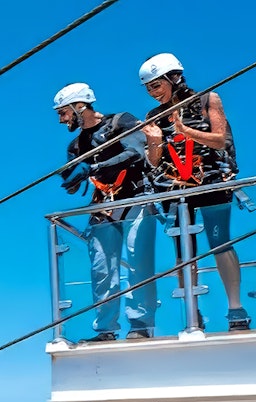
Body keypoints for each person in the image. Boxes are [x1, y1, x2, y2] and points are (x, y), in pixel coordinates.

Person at [139, 53, 251, 332]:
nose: (153, 93)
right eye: (148, 88)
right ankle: (193, 313)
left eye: (156, 85)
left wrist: (184, 130)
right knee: (182, 251)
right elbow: (153, 161)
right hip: (177, 188)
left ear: (173, 78)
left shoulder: (207, 99)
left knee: (219, 242)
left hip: (211, 179)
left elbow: (220, 139)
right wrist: (153, 143)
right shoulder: (153, 117)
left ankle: (236, 310)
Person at [52, 82, 157, 342]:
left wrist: (93, 167)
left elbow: (136, 152)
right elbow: (76, 181)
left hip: (135, 197)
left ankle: (140, 326)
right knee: (102, 269)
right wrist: (72, 179)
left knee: (138, 263)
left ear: (80, 106)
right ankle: (105, 329)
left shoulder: (120, 122)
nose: (61, 119)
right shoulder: (76, 146)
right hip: (103, 206)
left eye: (63, 112)